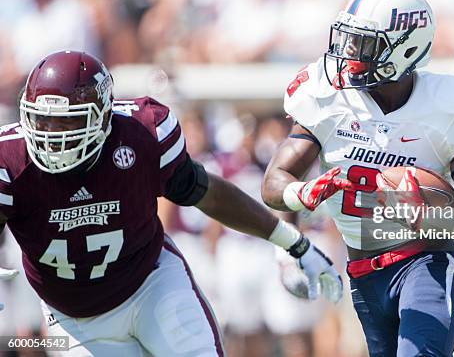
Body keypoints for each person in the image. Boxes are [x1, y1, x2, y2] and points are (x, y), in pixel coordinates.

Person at [0, 50, 342, 356]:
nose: (52, 135)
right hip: (75, 319)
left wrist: (289, 241)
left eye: (68, 121)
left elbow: (205, 192)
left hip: (152, 284)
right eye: (41, 119)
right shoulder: (9, 161)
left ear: (103, 117)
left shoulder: (142, 135)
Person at [261, 0, 454, 357]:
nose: (348, 54)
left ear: (406, 47)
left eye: (365, 44)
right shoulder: (325, 95)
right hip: (363, 272)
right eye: (349, 40)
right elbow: (274, 182)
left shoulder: (451, 104)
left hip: (426, 261)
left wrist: (433, 219)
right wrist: (301, 202)